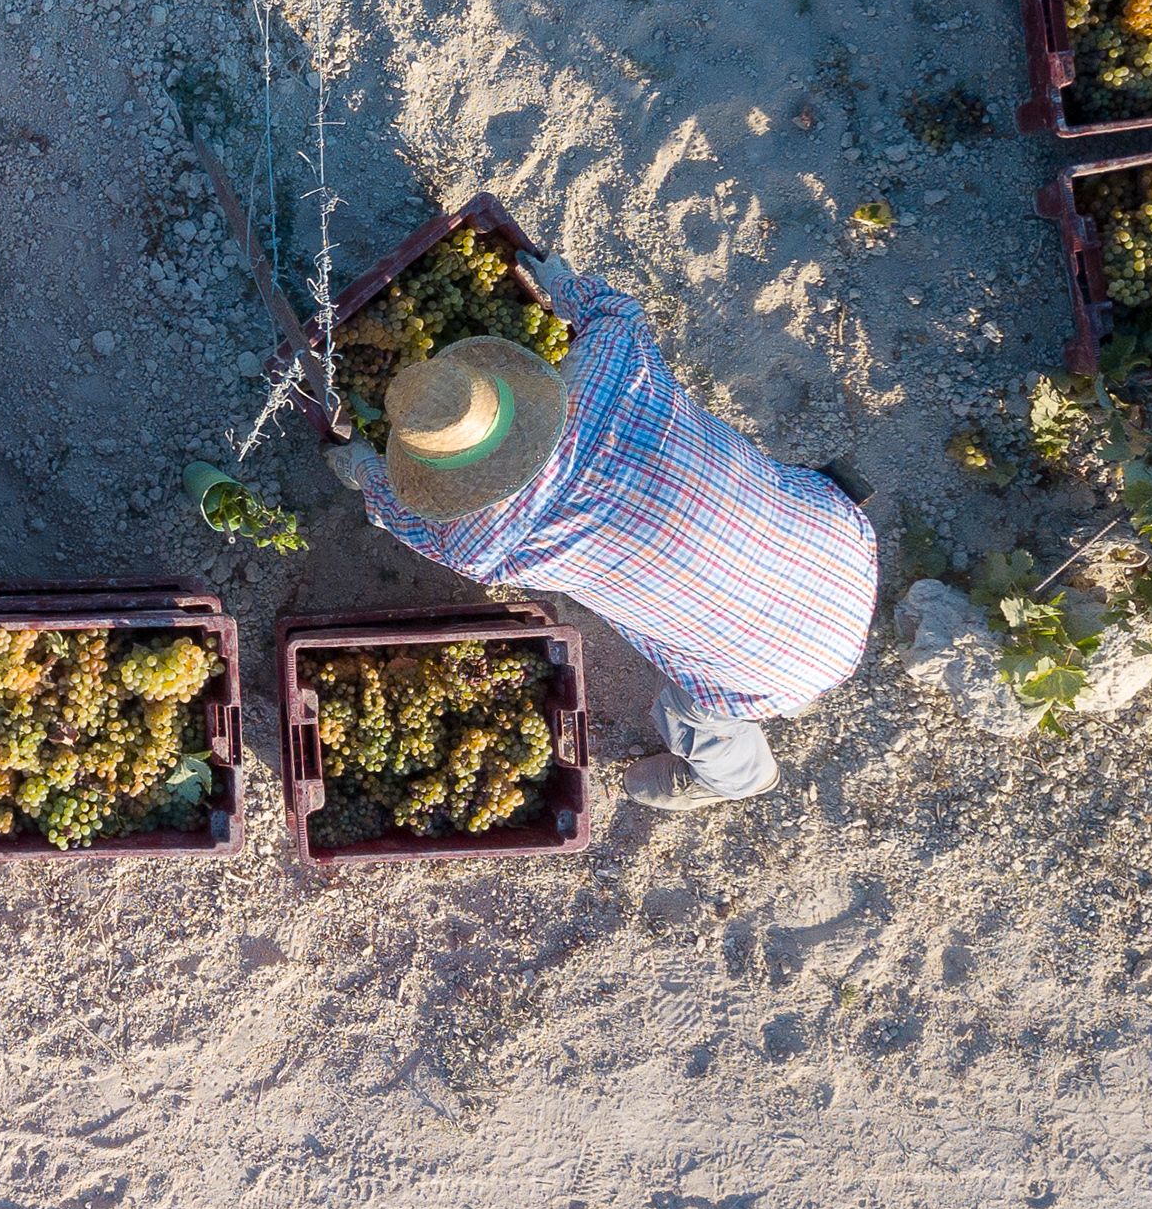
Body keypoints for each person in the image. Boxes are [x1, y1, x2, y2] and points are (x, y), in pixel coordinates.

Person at [324, 253, 879, 813]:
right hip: (841, 544)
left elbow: (402, 516)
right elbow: (613, 309)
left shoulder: (486, 543)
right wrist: (556, 276)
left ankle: (735, 778)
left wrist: (362, 468)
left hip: (771, 674)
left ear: (448, 475)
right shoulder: (617, 360)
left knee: (690, 716)